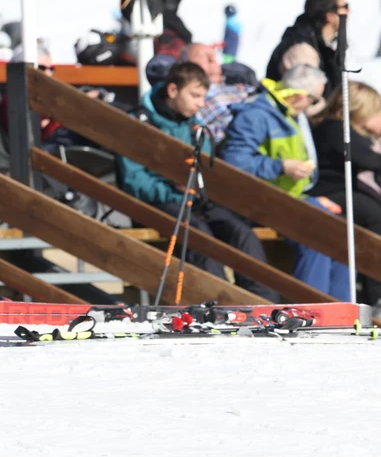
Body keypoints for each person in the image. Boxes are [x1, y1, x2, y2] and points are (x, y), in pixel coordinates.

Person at [116, 62, 277, 300]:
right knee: (199, 235)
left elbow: (209, 169)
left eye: (203, 97)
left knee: (241, 233)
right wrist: (174, 189)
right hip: (158, 201)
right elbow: (133, 179)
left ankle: (263, 303)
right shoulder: (139, 122)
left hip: (197, 200)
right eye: (194, 96)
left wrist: (202, 186)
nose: (200, 104)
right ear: (172, 91)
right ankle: (222, 305)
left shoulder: (195, 125)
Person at [220, 64, 350, 299]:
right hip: (257, 201)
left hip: (285, 198)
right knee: (315, 234)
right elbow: (234, 164)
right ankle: (312, 311)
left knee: (341, 232)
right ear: (300, 95)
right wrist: (280, 166)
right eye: (314, 100)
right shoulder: (257, 115)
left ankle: (341, 310)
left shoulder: (286, 114)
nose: (313, 106)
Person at [308, 81, 381, 308]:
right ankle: (378, 293)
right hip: (331, 191)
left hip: (344, 191)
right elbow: (366, 159)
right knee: (377, 220)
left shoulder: (345, 129)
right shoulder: (334, 127)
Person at [266, 0, 348, 96]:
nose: (349, 11)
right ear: (330, 15)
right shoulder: (302, 51)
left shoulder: (322, 45)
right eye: (345, 7)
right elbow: (306, 101)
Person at [181, 42, 250, 143]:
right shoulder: (189, 95)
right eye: (204, 56)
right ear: (185, 64)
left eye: (214, 56)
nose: (212, 60)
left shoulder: (239, 84)